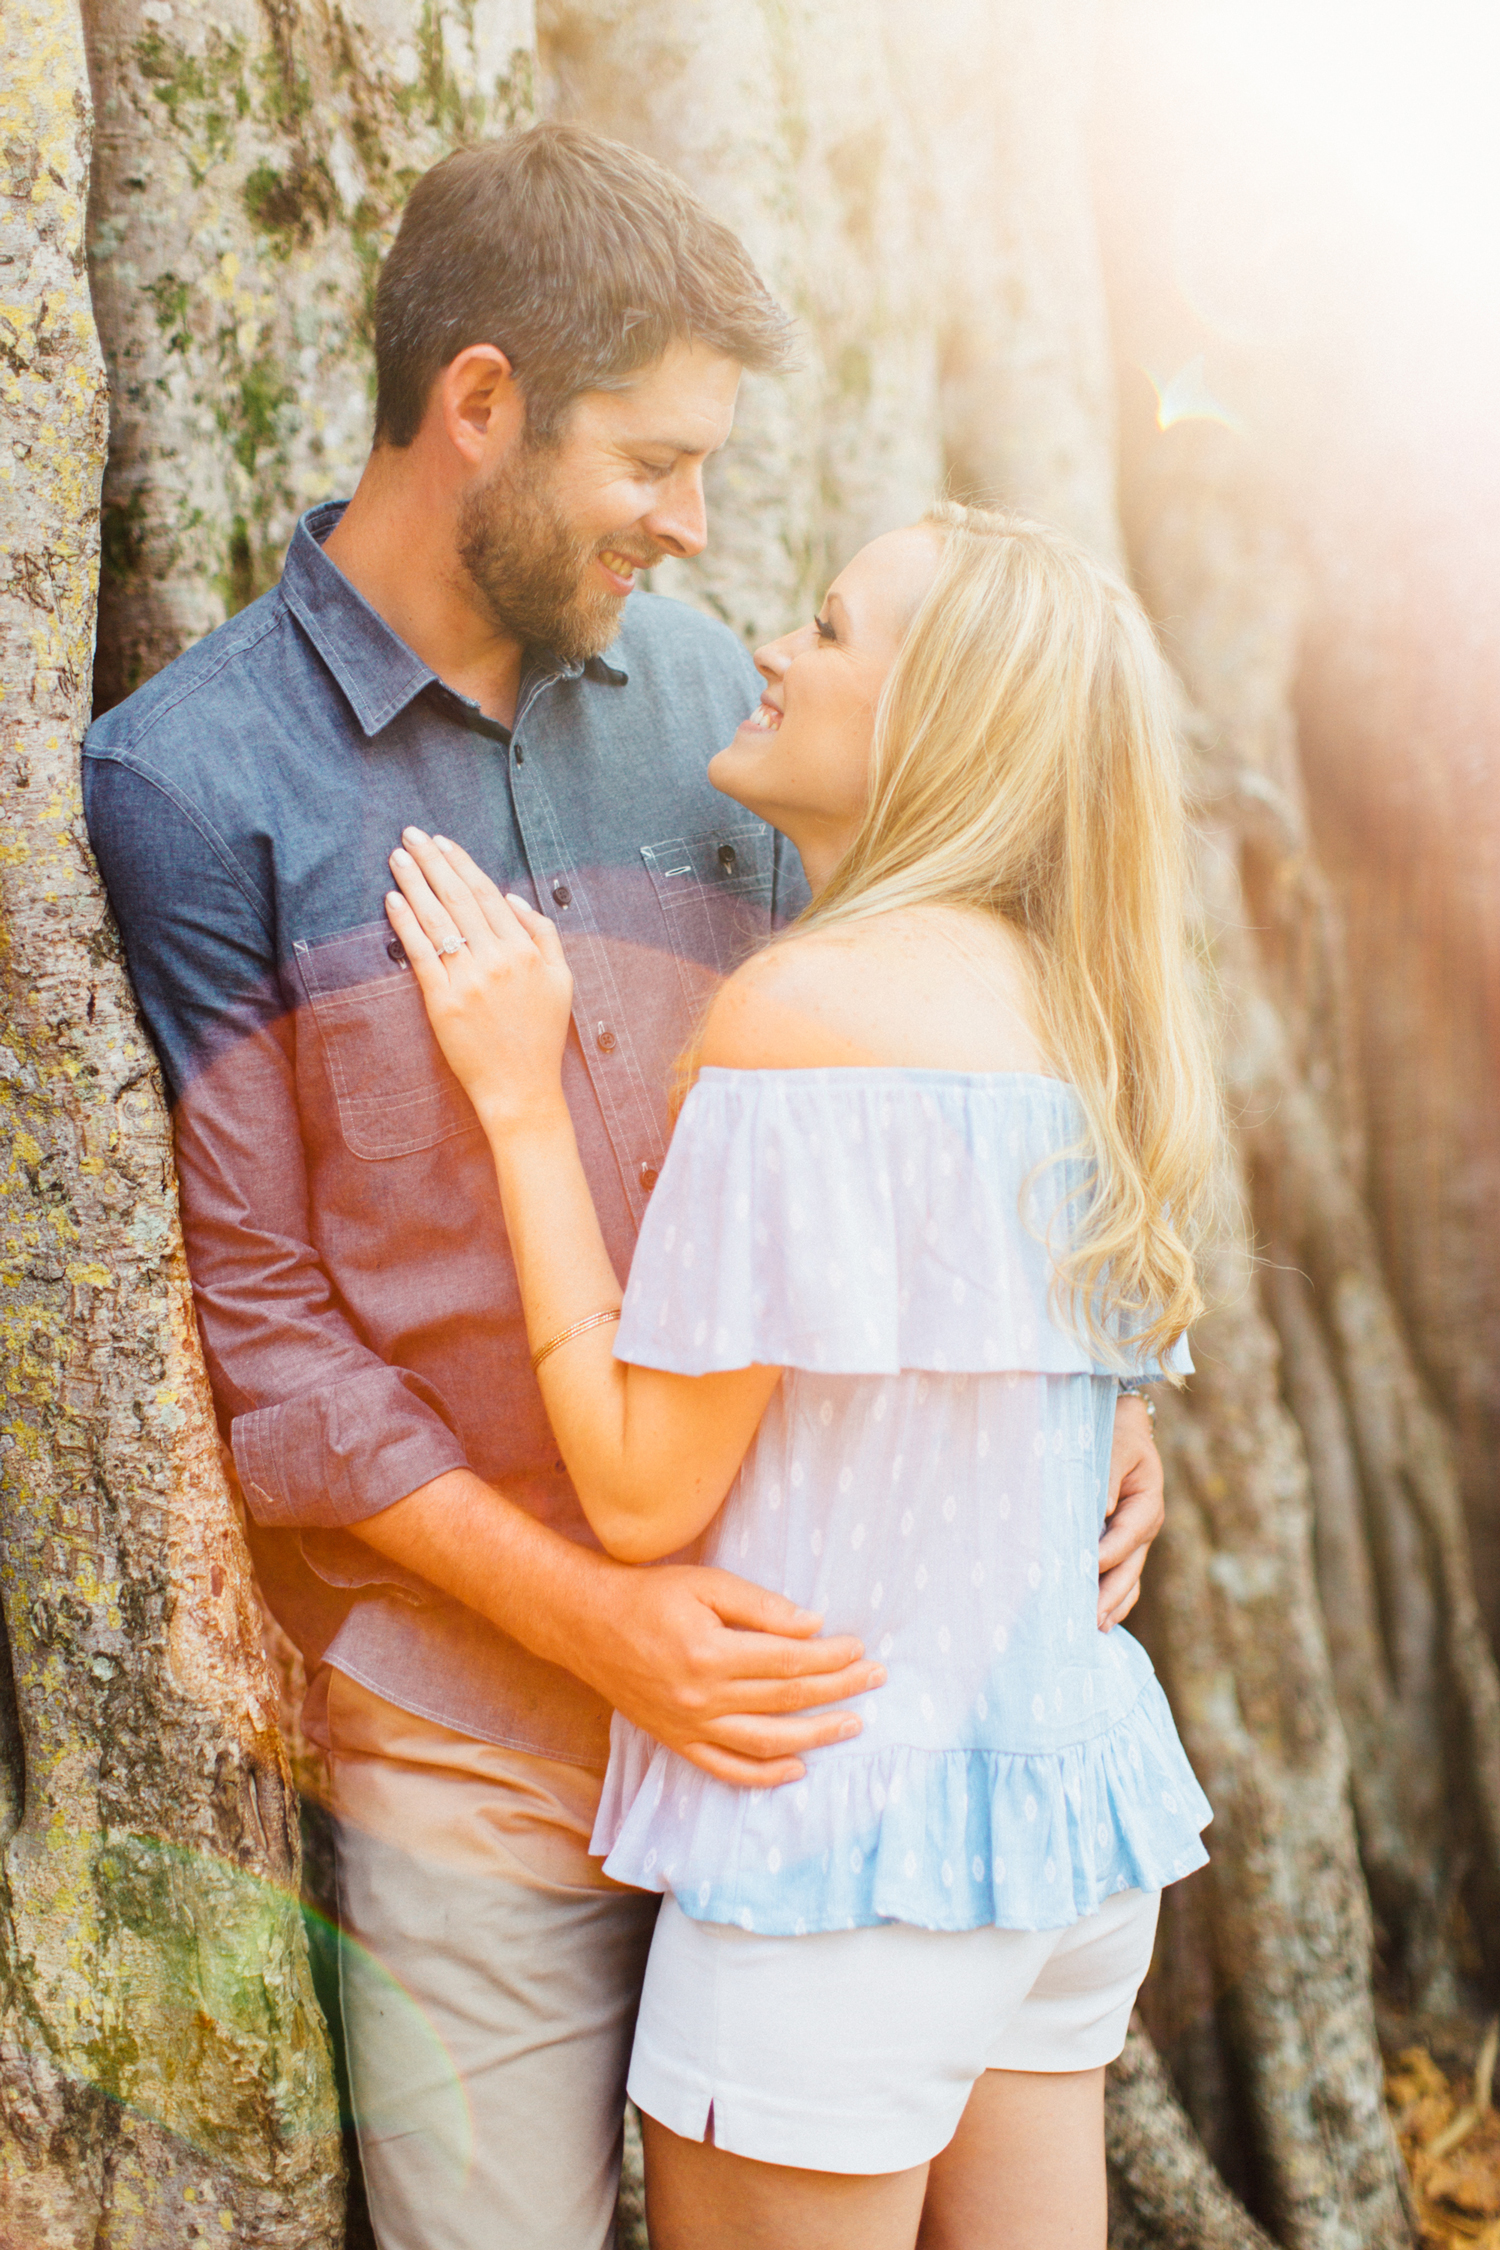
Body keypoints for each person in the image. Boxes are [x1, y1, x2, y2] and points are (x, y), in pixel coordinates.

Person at [83, 125, 1170, 2250]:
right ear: (478, 406)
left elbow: (920, 1132)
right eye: (653, 462)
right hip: (479, 1751)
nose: (694, 528)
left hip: (817, 1741)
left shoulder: (726, 713)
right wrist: (605, 1624)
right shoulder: (192, 785)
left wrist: (1088, 1408)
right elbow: (278, 1343)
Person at [384, 501, 1219, 2250]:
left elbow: (636, 1490)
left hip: (840, 1856)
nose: (772, 645)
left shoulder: (806, 1015)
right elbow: (1070, 1404)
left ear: (936, 729)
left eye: (830, 628)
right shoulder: (1090, 1018)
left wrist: (522, 1101)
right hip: (1051, 1845)